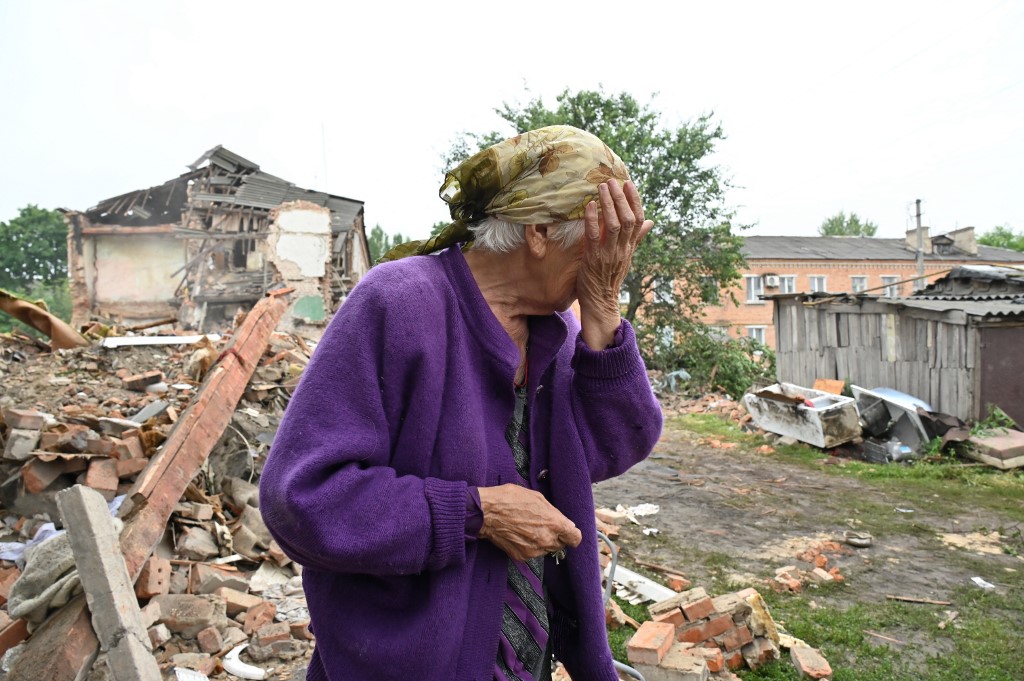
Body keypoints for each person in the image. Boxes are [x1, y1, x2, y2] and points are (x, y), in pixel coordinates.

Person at [259, 125, 663, 681]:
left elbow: (619, 444)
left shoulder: (559, 332)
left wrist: (602, 314)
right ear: (540, 231)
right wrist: (475, 514)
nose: (610, 264)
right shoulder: (398, 303)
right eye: (602, 245)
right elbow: (300, 501)